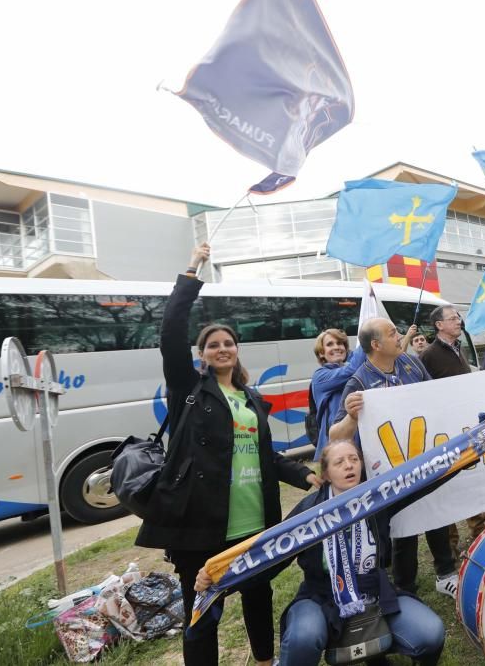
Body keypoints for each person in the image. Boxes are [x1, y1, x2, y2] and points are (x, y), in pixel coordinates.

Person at [136, 243, 316, 666]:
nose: (222, 348)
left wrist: (307, 476)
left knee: (259, 594)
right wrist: (192, 269)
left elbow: (264, 455)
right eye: (213, 344)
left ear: (237, 351)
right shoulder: (189, 389)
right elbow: (170, 331)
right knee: (203, 611)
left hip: (253, 518)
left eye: (228, 343)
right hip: (201, 523)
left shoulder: (251, 399)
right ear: (202, 354)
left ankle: (263, 659)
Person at [274, 440, 447, 666]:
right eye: (340, 462)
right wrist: (225, 575)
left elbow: (419, 480)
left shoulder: (376, 498)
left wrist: (468, 451)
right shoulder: (309, 511)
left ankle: (378, 652)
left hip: (373, 591)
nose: (349, 466)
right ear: (325, 474)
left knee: (431, 633)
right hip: (321, 596)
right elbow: (271, 554)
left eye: (354, 459)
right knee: (303, 637)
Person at [329, 318, 460, 598]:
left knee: (435, 512)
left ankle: (446, 573)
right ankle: (404, 588)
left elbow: (434, 396)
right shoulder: (358, 381)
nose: (400, 336)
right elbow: (335, 435)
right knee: (403, 526)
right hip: (389, 470)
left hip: (424, 456)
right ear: (376, 345)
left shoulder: (411, 364)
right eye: (393, 334)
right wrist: (352, 416)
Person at [418, 306, 485, 553]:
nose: (459, 321)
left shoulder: (460, 349)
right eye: (453, 318)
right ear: (439, 325)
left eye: (458, 317)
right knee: (448, 484)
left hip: (464, 428)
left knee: (471, 479)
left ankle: (479, 532)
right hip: (443, 432)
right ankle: (450, 544)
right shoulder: (428, 355)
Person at [310, 329, 366, 460]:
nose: (336, 347)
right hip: (335, 451)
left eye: (340, 343)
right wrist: (367, 336)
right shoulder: (320, 376)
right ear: (321, 353)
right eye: (330, 344)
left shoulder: (353, 369)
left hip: (357, 447)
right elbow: (352, 369)